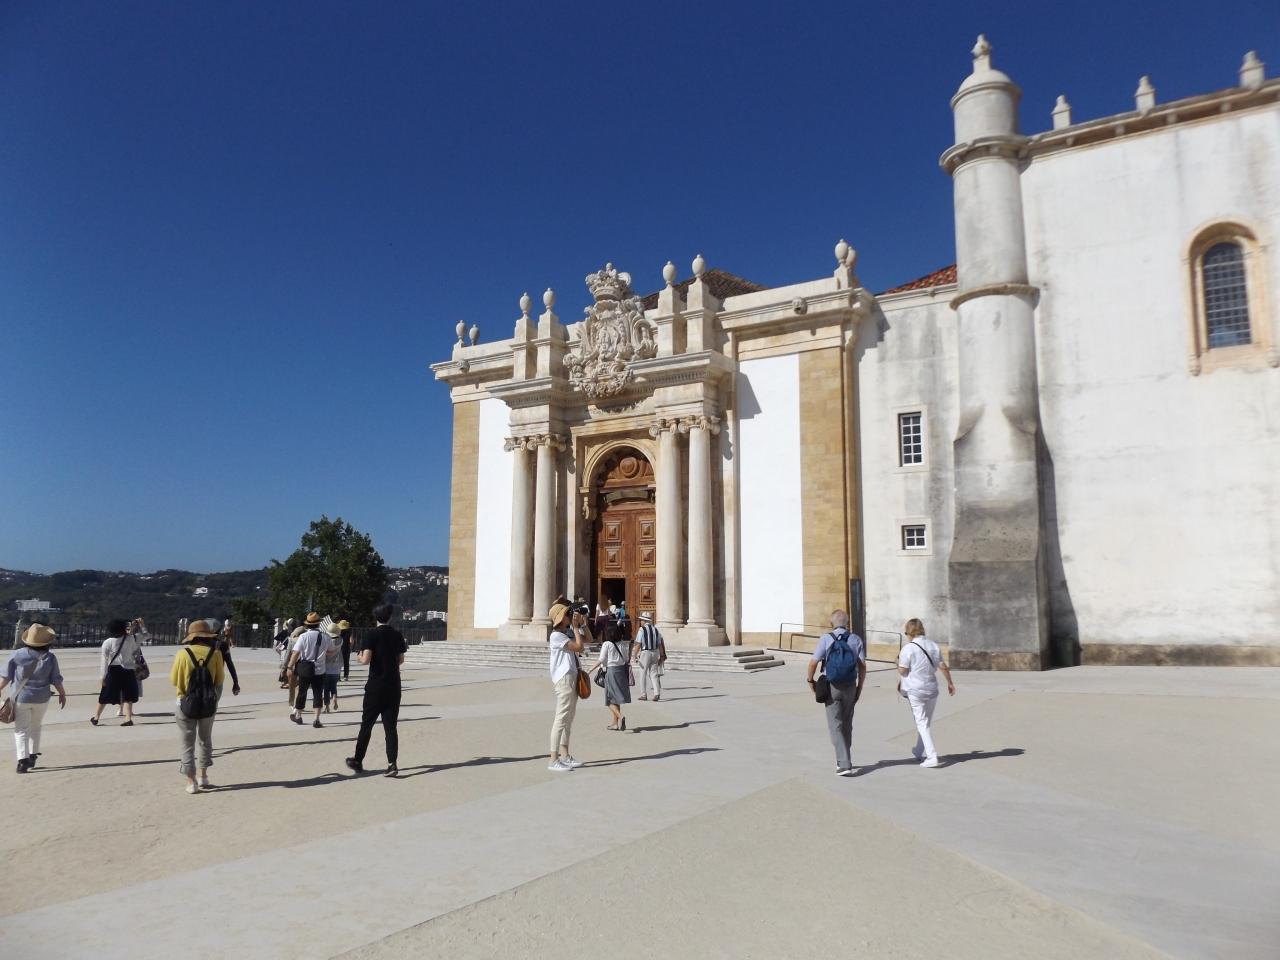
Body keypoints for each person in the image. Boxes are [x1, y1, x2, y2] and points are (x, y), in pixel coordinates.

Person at [345, 604, 406, 776]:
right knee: (391, 727)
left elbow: (365, 660)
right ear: (390, 618)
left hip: (376, 685)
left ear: (376, 618)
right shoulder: (396, 634)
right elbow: (400, 659)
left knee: (367, 725)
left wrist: (358, 656)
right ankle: (392, 763)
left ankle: (358, 760)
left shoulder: (371, 634)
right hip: (394, 684)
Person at [806, 610, 866, 776]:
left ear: (831, 623)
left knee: (835, 725)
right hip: (850, 685)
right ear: (847, 623)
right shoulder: (856, 639)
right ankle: (845, 758)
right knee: (846, 723)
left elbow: (813, 663)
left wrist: (810, 681)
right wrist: (859, 687)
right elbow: (862, 666)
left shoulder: (826, 638)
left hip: (832, 685)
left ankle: (844, 764)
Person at [1, 625, 67, 773]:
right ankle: (32, 756)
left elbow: (6, 676)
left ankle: (22, 761)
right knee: (36, 726)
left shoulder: (17, 654)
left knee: (21, 730)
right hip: (42, 698)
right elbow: (56, 679)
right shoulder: (50, 657)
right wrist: (62, 693)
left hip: (22, 697)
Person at [169, 619, 225, 794]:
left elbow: (174, 680)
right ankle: (203, 776)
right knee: (205, 739)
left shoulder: (182, 654)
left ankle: (190, 781)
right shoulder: (215, 654)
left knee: (187, 742)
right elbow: (219, 681)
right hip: (208, 703)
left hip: (185, 703)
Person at [897, 618, 956, 768]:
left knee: (922, 723)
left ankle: (932, 757)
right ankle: (918, 750)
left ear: (909, 632)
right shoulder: (933, 645)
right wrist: (950, 683)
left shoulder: (908, 648)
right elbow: (942, 666)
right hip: (931, 689)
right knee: (925, 722)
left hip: (915, 690)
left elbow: (903, 671)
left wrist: (897, 664)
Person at [546, 601, 588, 772]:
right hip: (563, 679)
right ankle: (553, 759)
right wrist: (576, 627)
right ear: (559, 618)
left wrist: (582, 624)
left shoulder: (565, 633)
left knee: (569, 718)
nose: (569, 616)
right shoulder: (556, 636)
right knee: (561, 718)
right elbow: (579, 646)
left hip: (571, 677)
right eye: (566, 614)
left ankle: (565, 755)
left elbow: (589, 640)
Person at [92, 618, 146, 727]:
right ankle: (128, 718)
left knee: (105, 694)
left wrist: (102, 676)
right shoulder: (131, 639)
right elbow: (146, 636)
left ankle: (96, 717)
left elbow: (104, 660)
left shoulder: (108, 642)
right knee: (128, 695)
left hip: (113, 671)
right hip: (129, 670)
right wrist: (142, 625)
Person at [586, 622, 631, 732]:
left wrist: (590, 670)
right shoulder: (623, 644)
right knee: (616, 699)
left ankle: (620, 717)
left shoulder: (607, 644)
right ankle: (615, 724)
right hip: (621, 672)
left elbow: (601, 659)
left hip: (611, 672)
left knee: (609, 699)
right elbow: (626, 659)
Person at [288, 612, 330, 728]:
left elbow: (296, 653)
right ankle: (316, 719)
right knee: (318, 693)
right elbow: (330, 651)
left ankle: (298, 716)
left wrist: (290, 666)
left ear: (307, 624)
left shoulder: (303, 636)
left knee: (302, 692)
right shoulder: (325, 636)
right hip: (320, 669)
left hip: (305, 668)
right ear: (318, 624)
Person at [633, 611, 665, 701]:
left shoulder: (641, 629)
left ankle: (643, 694)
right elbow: (659, 644)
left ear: (643, 620)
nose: (640, 622)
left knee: (643, 674)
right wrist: (661, 656)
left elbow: (638, 643)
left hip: (645, 653)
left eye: (641, 620)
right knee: (654, 674)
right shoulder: (656, 630)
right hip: (655, 652)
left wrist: (634, 655)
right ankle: (657, 693)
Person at [322, 622, 343, 712]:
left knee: (326, 688)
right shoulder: (341, 640)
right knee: (333, 686)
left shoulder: (327, 641)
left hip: (327, 667)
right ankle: (334, 697)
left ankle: (327, 706)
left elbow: (325, 652)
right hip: (337, 667)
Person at [216, 625, 241, 698]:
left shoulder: (193, 647)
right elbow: (230, 664)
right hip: (217, 678)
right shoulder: (223, 645)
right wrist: (235, 682)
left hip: (199, 678)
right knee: (213, 704)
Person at [273, 618, 297, 689]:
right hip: (292, 651)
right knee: (289, 667)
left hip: (286, 650)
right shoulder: (296, 633)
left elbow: (276, 638)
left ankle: (285, 682)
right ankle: (288, 682)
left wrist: (281, 640)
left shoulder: (286, 631)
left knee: (286, 666)